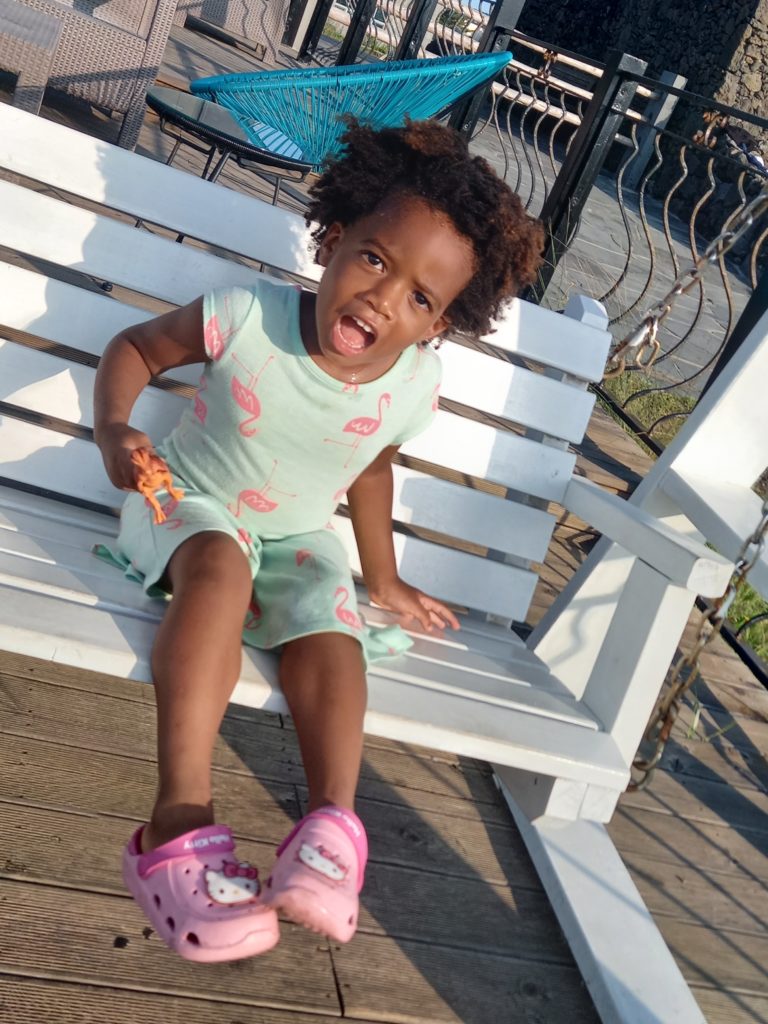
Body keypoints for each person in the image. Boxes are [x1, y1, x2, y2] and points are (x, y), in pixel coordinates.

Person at [93, 117, 544, 964]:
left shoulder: (414, 382)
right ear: (333, 242)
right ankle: (176, 825)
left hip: (297, 529)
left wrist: (386, 578)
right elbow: (138, 347)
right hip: (188, 504)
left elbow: (369, 469)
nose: (383, 298)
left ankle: (329, 834)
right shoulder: (245, 317)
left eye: (420, 297)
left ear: (439, 325)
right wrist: (116, 430)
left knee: (332, 626)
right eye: (375, 258)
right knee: (223, 568)